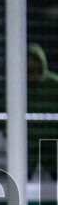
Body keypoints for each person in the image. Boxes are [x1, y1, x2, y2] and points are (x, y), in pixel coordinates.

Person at [28, 44, 58, 179]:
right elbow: (3, 107)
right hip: (28, 142)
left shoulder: (53, 83)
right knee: (21, 174)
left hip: (51, 141)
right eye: (28, 61)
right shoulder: (17, 84)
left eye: (34, 61)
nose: (30, 65)